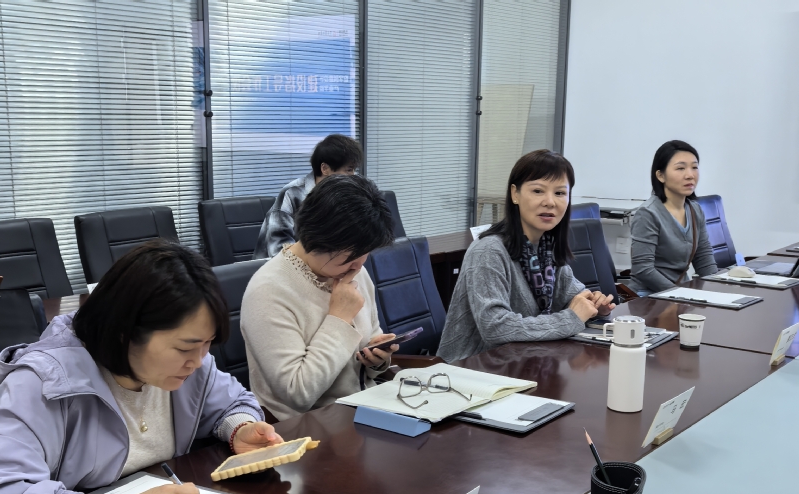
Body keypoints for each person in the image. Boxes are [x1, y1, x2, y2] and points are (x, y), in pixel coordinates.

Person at [0, 240, 284, 494]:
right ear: (125, 332)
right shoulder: (42, 383)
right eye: (184, 347)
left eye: (207, 343)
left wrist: (240, 429)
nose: (199, 361)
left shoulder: (191, 366)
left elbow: (233, 403)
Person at [242, 174, 398, 421]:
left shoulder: (355, 271)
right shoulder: (268, 291)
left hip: (363, 410)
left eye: (366, 252)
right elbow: (298, 393)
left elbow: (367, 352)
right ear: (319, 239)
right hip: (307, 427)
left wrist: (376, 360)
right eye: (351, 255)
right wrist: (339, 319)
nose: (359, 264)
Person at [438, 150, 615, 363]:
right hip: (471, 368)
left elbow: (572, 296)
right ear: (515, 194)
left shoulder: (545, 247)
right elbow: (495, 327)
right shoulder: (488, 251)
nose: (550, 202)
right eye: (538, 191)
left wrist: (595, 305)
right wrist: (571, 317)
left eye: (560, 193)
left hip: (524, 360)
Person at [253, 133, 363, 260]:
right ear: (325, 168)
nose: (353, 176)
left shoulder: (341, 195)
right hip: (278, 267)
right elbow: (279, 250)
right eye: (349, 170)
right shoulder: (292, 194)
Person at [629, 140, 718, 294]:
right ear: (660, 176)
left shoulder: (695, 210)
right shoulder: (648, 213)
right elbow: (643, 269)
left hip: (680, 292)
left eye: (694, 167)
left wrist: (718, 290)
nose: (690, 175)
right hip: (649, 296)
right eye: (680, 168)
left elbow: (704, 259)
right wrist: (680, 294)